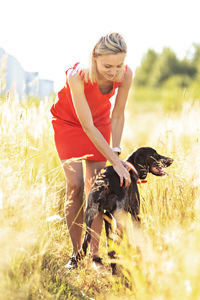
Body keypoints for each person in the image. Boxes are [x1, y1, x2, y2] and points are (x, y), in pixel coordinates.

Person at [50, 32, 133, 269]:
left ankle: (95, 257)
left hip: (100, 123)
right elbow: (85, 125)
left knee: (95, 188)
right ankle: (76, 255)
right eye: (107, 65)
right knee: (75, 187)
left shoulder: (125, 74)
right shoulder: (77, 76)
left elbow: (117, 114)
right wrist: (115, 163)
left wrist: (115, 154)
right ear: (94, 57)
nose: (113, 71)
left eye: (118, 65)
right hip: (69, 124)